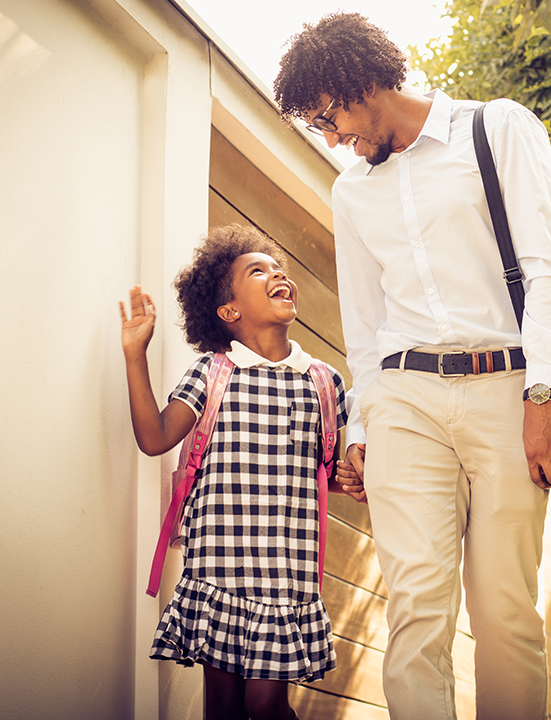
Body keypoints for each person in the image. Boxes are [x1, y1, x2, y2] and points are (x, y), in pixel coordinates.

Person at [273, 13, 551, 720]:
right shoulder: (352, 191)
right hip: (406, 400)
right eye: (315, 127)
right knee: (415, 605)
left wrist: (541, 394)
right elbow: (366, 329)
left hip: (511, 390)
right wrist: (362, 428)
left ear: (365, 79)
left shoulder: (497, 129)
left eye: (329, 116)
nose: (331, 138)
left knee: (505, 609)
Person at [119, 224, 364, 720]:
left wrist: (354, 479)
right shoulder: (213, 372)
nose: (278, 275)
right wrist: (134, 355)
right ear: (229, 312)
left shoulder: (322, 381)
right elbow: (154, 437)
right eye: (259, 271)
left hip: (285, 575)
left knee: (266, 704)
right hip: (218, 569)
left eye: (280, 270)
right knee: (224, 706)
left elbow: (329, 472)